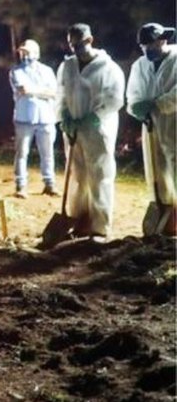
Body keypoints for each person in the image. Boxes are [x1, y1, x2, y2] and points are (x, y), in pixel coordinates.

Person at [57, 23, 125, 240]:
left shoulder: (109, 68)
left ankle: (99, 227)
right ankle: (79, 221)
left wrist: (94, 118)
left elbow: (115, 99)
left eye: (80, 43)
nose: (75, 48)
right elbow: (60, 94)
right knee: (78, 176)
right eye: (72, 45)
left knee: (100, 176)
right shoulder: (67, 66)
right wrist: (63, 116)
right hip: (73, 132)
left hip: (98, 131)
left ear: (90, 40)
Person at [125, 22, 176, 235]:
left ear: (163, 40)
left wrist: (157, 104)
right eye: (143, 47)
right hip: (151, 125)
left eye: (151, 45)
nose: (147, 50)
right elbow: (133, 94)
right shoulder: (140, 65)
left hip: (174, 123)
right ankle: (166, 214)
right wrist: (137, 108)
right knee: (156, 170)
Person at [9, 39, 59, 198]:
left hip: (45, 118)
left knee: (48, 153)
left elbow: (54, 93)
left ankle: (49, 184)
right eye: (22, 52)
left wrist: (34, 91)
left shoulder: (47, 71)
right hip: (25, 118)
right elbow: (23, 89)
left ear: (36, 54)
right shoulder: (15, 71)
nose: (23, 55)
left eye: (27, 52)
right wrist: (43, 92)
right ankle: (21, 185)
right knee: (22, 153)